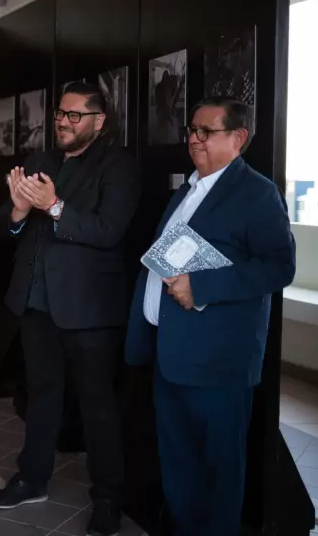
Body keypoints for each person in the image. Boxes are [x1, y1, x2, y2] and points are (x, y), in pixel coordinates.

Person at [125, 98, 296, 536]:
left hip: (218, 364)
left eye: (206, 131)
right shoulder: (188, 189)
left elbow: (279, 267)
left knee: (219, 472)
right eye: (192, 130)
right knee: (179, 464)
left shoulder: (257, 192)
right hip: (172, 357)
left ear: (237, 138)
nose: (194, 139)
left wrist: (201, 287)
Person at [0, 82, 141, 536]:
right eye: (60, 114)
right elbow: (5, 229)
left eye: (75, 115)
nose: (63, 122)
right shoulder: (40, 162)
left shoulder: (119, 167)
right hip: (35, 303)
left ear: (99, 120)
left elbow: (108, 230)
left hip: (89, 308)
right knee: (41, 396)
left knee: (98, 406)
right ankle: (32, 478)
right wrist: (15, 212)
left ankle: (108, 498)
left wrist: (52, 206)